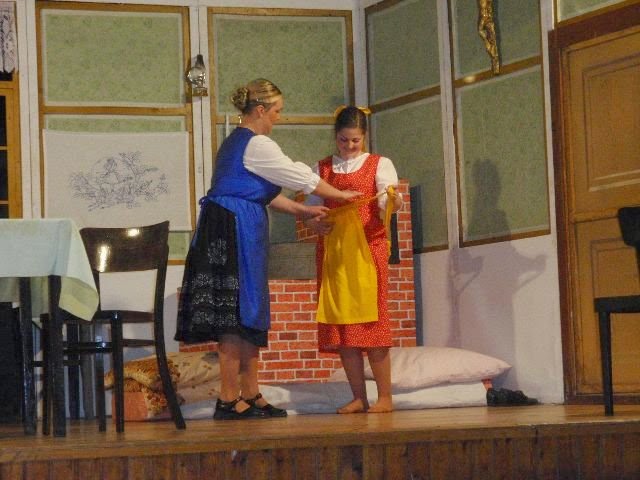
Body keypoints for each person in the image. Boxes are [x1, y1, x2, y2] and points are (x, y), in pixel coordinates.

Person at [175, 79, 361, 420]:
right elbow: (298, 176)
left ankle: (251, 394)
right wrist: (340, 194)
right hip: (231, 226)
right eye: (276, 111)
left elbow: (266, 194)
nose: (278, 117)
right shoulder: (255, 143)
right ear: (260, 110)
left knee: (250, 309)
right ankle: (228, 398)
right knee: (234, 312)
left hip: (240, 223)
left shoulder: (239, 144)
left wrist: (304, 212)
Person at [305, 105, 403, 414]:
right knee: (344, 327)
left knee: (373, 323)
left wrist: (393, 201)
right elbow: (309, 208)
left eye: (355, 141)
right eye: (344, 140)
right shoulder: (321, 168)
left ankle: (385, 397)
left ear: (364, 138)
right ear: (335, 137)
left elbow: (387, 201)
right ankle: (359, 397)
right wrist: (313, 222)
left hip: (368, 251)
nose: (349, 146)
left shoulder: (379, 164)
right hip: (334, 254)